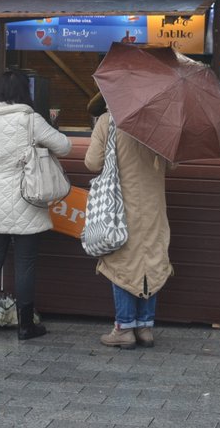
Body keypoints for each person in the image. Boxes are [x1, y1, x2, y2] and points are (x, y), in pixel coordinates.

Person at [0, 70, 71, 342]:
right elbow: (65, 147)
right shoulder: (31, 120)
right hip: (26, 196)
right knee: (25, 263)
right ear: (25, 91)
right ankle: (25, 326)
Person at [84, 92, 173, 350]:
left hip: (120, 205)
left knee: (122, 261)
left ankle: (124, 328)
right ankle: (145, 327)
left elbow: (92, 162)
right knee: (151, 258)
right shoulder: (157, 122)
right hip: (154, 205)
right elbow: (172, 164)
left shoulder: (107, 121)